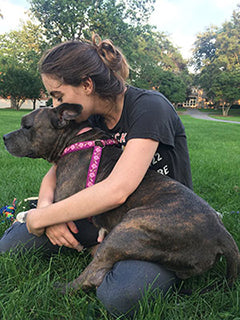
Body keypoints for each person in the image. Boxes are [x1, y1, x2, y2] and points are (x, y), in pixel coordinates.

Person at [0, 34, 192, 318]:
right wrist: (46, 211)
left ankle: (113, 256)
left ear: (87, 85)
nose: (55, 106)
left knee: (120, 296)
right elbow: (54, 175)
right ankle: (99, 247)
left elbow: (118, 189)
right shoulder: (88, 118)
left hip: (158, 222)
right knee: (11, 246)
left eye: (58, 95)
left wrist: (40, 219)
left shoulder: (149, 107)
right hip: (106, 216)